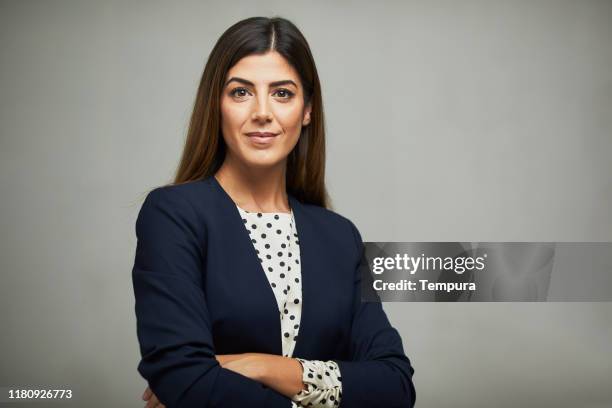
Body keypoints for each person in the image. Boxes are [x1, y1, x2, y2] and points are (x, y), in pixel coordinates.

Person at [131, 16, 416, 408]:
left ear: (307, 110)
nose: (262, 112)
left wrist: (260, 366)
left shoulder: (340, 237)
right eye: (240, 92)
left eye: (282, 93)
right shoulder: (174, 216)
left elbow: (394, 385)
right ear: (216, 104)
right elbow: (185, 378)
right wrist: (324, 389)